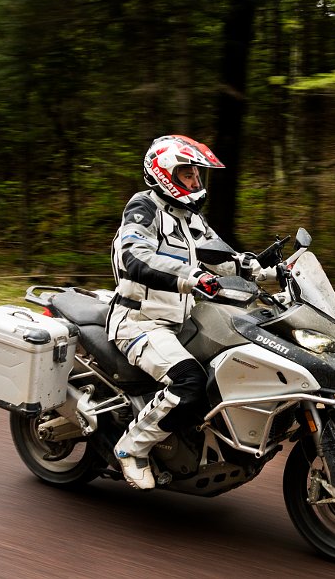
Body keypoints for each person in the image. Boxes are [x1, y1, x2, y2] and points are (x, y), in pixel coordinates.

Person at [106, 134, 259, 489]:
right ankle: (132, 448)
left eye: (196, 175)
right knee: (190, 381)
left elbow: (223, 258)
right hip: (139, 321)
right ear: (164, 173)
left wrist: (265, 269)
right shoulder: (143, 209)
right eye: (188, 174)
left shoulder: (189, 218)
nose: (195, 182)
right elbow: (133, 257)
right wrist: (191, 277)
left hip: (182, 322)